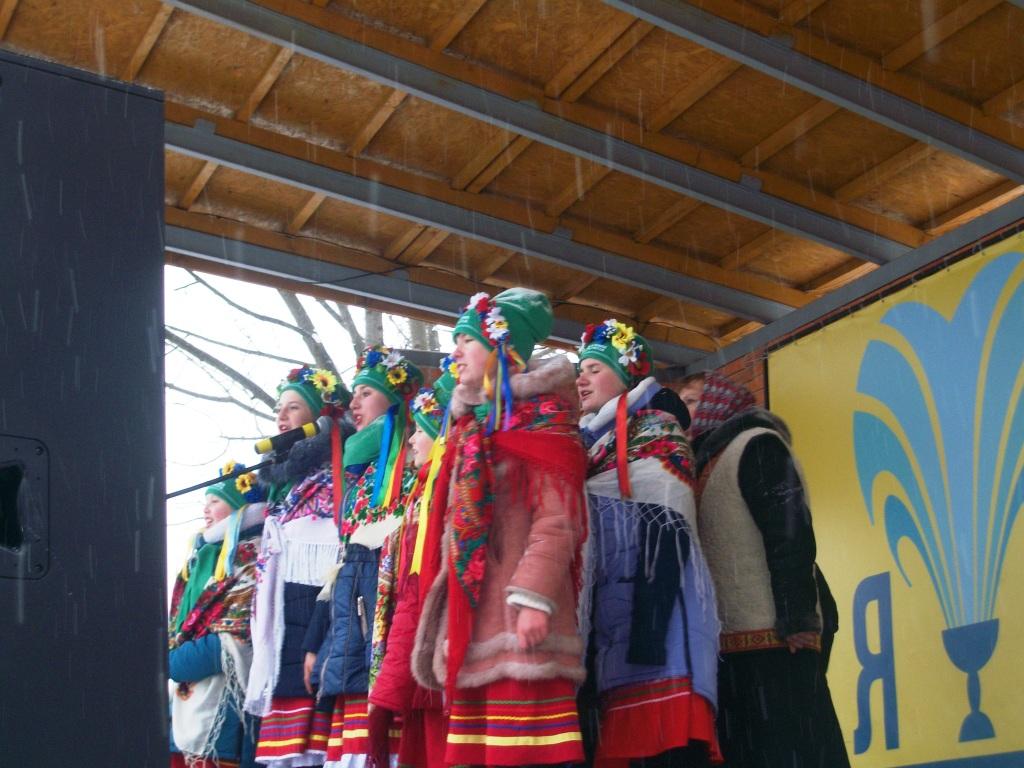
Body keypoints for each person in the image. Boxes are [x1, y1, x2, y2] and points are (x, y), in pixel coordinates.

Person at [411, 288, 589, 767]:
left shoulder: (545, 421)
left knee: (522, 756)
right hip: (474, 630)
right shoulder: (472, 430)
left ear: (501, 346)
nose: (454, 353)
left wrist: (533, 599)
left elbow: (558, 519)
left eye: (466, 340)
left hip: (521, 628)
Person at [576, 320, 721, 768]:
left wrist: (648, 633)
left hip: (659, 629)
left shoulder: (656, 432)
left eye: (595, 369)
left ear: (627, 376)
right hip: (617, 634)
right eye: (580, 370)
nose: (581, 379)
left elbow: (670, 531)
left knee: (664, 753)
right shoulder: (595, 445)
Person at [688, 373, 849, 768]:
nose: (684, 412)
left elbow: (790, 531)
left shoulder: (757, 444)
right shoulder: (706, 461)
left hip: (776, 642)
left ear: (718, 403)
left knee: (791, 748)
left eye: (691, 401)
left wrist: (797, 617)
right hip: (737, 653)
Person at [302, 345, 423, 768]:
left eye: (366, 393)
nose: (354, 403)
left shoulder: (408, 463)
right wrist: (318, 643)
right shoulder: (362, 473)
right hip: (351, 635)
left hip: (383, 630)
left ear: (396, 401)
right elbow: (342, 567)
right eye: (354, 394)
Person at [245, 365, 351, 767]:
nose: (281, 417)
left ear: (318, 415)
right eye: (279, 409)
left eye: (293, 407)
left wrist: (317, 641)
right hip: (284, 622)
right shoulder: (286, 486)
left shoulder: (332, 475)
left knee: (313, 751)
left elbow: (333, 567)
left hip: (313, 618)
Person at [367, 370, 455, 768]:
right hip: (423, 669)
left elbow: (418, 595)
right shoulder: (420, 496)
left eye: (420, 431)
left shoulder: (437, 496)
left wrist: (391, 681)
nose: (412, 441)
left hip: (436, 667)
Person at [169, 461, 267, 768]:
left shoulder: (252, 561)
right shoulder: (201, 564)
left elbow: (230, 643)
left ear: (239, 507)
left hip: (223, 723)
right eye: (205, 502)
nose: (206, 510)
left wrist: (170, 661)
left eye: (215, 501)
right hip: (185, 717)